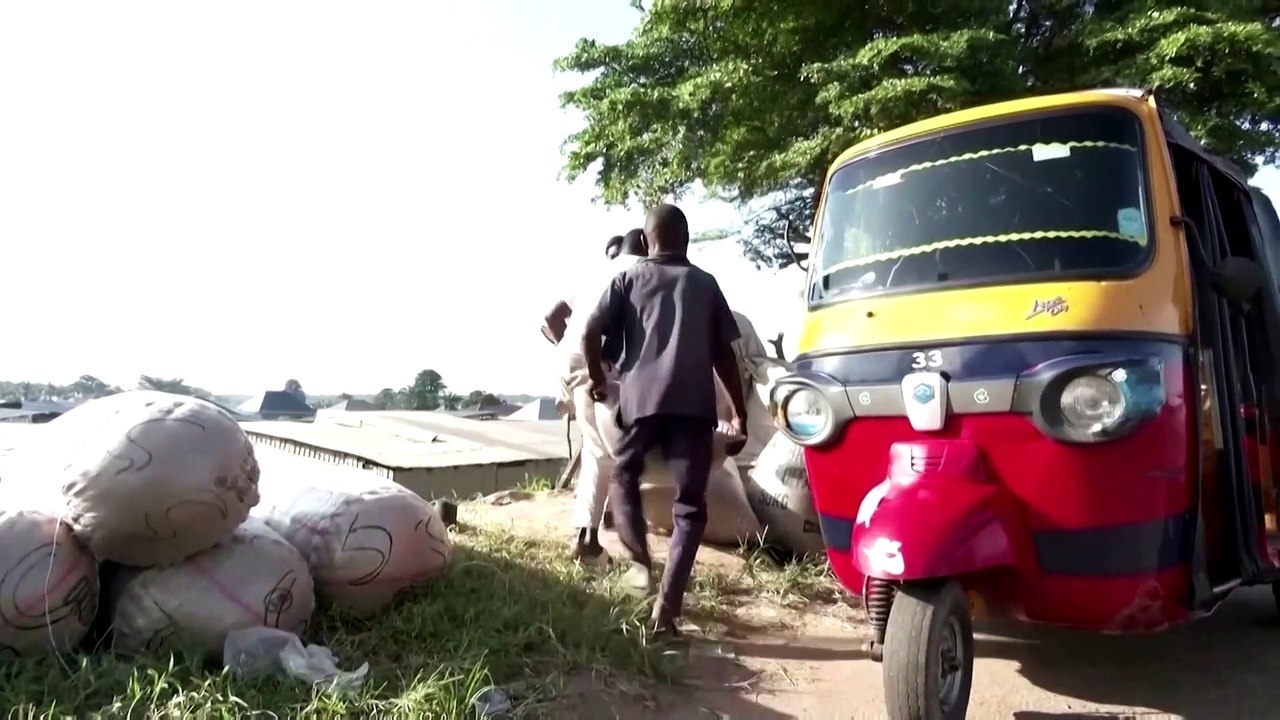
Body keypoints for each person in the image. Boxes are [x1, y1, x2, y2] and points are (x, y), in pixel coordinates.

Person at [582, 203, 748, 635]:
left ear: (646, 239)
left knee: (623, 476)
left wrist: (598, 381)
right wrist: (739, 415)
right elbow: (725, 356)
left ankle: (639, 562)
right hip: (693, 409)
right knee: (690, 509)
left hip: (640, 405)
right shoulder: (705, 284)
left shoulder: (627, 278)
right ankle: (667, 611)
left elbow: (588, 333)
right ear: (686, 239)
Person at [542, 229, 647, 561]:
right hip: (602, 358)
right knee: (624, 451)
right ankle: (633, 547)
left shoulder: (597, 270)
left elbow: (551, 316)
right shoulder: (644, 268)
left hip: (571, 356)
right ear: (648, 244)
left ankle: (586, 538)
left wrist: (571, 352)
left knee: (596, 451)